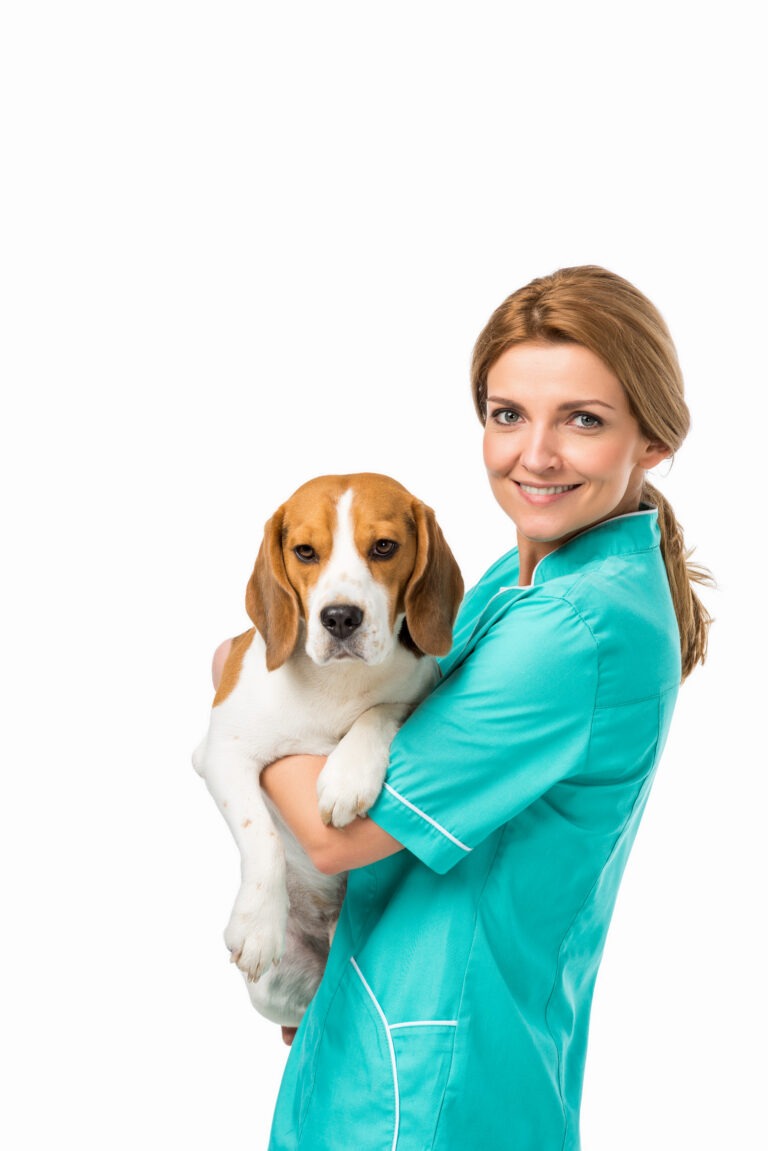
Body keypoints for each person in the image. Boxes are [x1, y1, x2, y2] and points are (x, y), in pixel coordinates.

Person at [216, 266, 711, 1150]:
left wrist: (236, 678)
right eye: (509, 414)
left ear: (654, 439)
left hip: (431, 1087)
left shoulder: (571, 628)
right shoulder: (514, 582)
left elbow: (338, 830)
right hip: (380, 1029)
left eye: (584, 420)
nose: (536, 453)